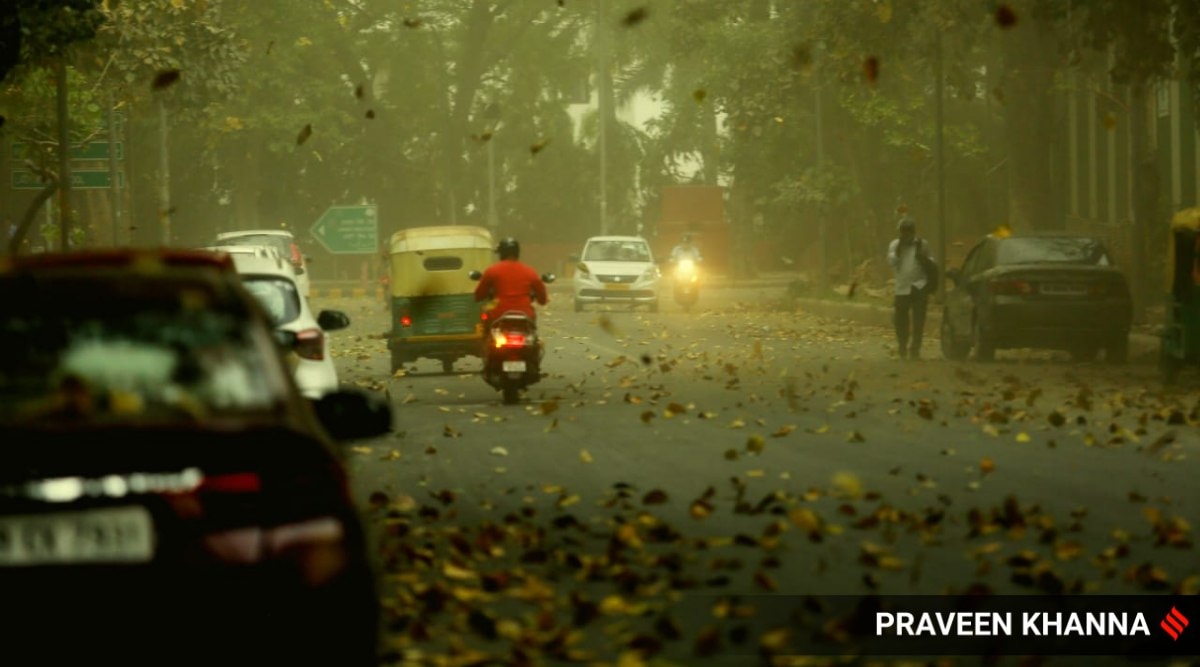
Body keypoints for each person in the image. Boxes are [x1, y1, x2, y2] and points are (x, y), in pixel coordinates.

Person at [887, 216, 934, 360]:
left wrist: (924, 261)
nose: (905, 235)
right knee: (901, 320)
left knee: (919, 320)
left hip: (919, 286)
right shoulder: (895, 245)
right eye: (902, 232)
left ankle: (915, 349)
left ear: (912, 232)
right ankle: (902, 346)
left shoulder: (922, 244)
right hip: (902, 288)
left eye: (907, 232)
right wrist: (900, 248)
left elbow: (931, 262)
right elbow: (891, 262)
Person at [474, 237, 548, 324]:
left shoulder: (492, 271)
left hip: (497, 315)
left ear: (501, 254)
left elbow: (478, 295)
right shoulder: (530, 271)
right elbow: (542, 299)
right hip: (525, 314)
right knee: (532, 332)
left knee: (485, 316)